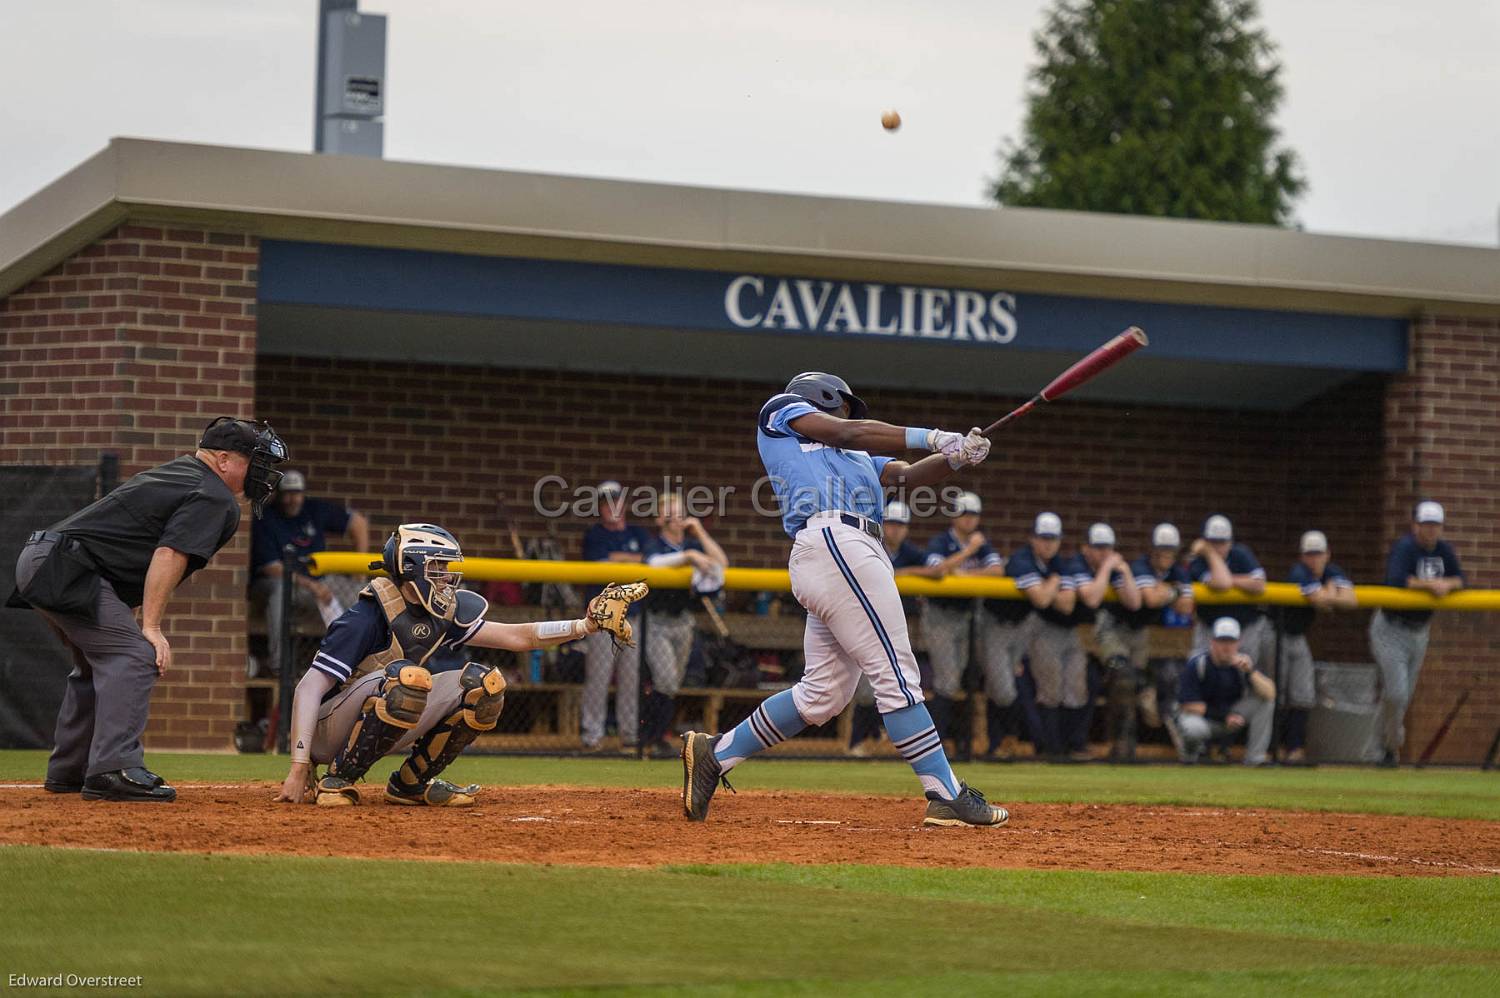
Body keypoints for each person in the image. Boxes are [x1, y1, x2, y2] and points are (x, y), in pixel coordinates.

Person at [682, 371, 1007, 827]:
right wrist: (933, 435)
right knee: (896, 673)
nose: (849, 414)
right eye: (844, 406)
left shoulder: (856, 456)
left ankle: (714, 754)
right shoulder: (780, 412)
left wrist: (955, 457)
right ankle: (944, 793)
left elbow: (908, 476)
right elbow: (845, 429)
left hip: (852, 554)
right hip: (836, 541)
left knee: (823, 696)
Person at [10, 417, 287, 802]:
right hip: (68, 569)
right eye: (254, 461)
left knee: (96, 665)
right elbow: (169, 553)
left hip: (47, 561)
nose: (263, 472)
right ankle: (113, 769)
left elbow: (126, 550)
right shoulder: (213, 494)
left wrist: (133, 615)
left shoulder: (181, 473)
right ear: (223, 460)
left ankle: (70, 770)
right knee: (135, 655)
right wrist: (152, 627)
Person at [275, 524, 645, 806]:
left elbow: (518, 637)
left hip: (378, 709)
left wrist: (585, 625)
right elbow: (309, 688)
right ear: (412, 568)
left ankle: (410, 783)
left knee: (484, 686)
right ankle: (338, 780)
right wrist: (299, 763)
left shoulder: (440, 612)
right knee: (407, 679)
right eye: (436, 568)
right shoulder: (365, 616)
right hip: (328, 730)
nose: (446, 577)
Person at [1369, 501, 1464, 767]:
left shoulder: (1444, 550)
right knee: (1397, 694)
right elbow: (1397, 579)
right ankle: (1389, 746)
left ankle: (1381, 750)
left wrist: (1447, 583)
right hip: (1391, 628)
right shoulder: (1406, 547)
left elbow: (1461, 579)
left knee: (1399, 696)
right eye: (1426, 525)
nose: (1431, 530)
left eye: (1435, 525)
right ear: (1416, 526)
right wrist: (1429, 585)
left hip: (1419, 632)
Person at [248, 470, 371, 676]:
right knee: (280, 591)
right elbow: (272, 568)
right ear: (277, 494)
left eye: (296, 494)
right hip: (282, 585)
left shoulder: (313, 509)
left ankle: (357, 661)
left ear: (303, 494)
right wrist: (312, 586)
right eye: (286, 494)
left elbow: (358, 522)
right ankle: (280, 666)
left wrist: (359, 576)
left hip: (318, 583)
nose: (291, 499)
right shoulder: (266, 518)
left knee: (362, 593)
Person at [640, 494, 729, 759]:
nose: (676, 517)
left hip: (683, 621)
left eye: (679, 512)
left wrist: (699, 532)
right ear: (660, 518)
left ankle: (657, 737)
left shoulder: (691, 543)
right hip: (657, 621)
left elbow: (721, 564)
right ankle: (650, 737)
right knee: (665, 679)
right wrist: (689, 557)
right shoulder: (656, 544)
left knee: (672, 683)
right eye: (670, 513)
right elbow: (652, 564)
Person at [1098, 523, 1194, 761]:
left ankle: (1126, 745)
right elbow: (1149, 599)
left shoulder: (1177, 572)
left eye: (1170, 550)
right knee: (1123, 679)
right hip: (1113, 626)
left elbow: (1187, 608)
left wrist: (1168, 592)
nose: (1166, 555)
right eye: (1162, 549)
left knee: (1137, 684)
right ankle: (1121, 746)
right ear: (1153, 550)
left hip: (1139, 632)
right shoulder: (1141, 566)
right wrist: (1173, 593)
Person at [848, 500, 935, 755]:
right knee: (865, 690)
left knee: (899, 686)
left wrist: (900, 573)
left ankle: (892, 743)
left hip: (899, 627)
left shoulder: (911, 552)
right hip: (866, 623)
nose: (896, 529)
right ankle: (858, 742)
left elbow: (938, 569)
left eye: (901, 524)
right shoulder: (869, 545)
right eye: (892, 523)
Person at [920, 490, 1003, 752]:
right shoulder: (942, 541)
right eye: (964, 514)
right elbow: (938, 570)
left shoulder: (982, 543)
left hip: (967, 617)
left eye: (973, 515)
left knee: (959, 680)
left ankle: (957, 740)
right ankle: (938, 742)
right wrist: (969, 551)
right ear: (954, 517)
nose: (969, 520)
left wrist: (965, 576)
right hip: (941, 615)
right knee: (947, 680)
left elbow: (998, 571)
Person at [580, 480, 651, 751]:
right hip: (602, 617)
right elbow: (603, 566)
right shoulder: (594, 535)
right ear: (599, 507)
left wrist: (618, 559)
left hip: (633, 617)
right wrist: (628, 561)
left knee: (631, 680)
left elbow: (646, 563)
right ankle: (592, 735)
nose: (611, 507)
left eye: (616, 500)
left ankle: (630, 735)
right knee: (598, 678)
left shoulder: (639, 533)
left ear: (624, 503)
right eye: (605, 502)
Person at [1002, 512, 1080, 759]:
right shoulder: (1022, 559)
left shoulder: (1058, 562)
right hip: (999, 625)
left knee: (1053, 687)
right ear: (1032, 538)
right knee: (1003, 688)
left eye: (1052, 538)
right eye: (1043, 538)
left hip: (1025, 629)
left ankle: (1052, 747)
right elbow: (1042, 599)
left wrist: (1049, 584)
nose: (1048, 543)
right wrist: (1055, 582)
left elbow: (1067, 605)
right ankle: (1000, 745)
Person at [1280, 530, 1356, 763]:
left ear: (1327, 554)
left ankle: (1295, 749)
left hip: (1298, 636)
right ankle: (1275, 749)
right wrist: (1331, 594)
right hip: (1276, 633)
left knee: (1303, 693)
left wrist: (1329, 595)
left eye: (1318, 554)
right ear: (1302, 556)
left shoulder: (1332, 571)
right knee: (1278, 694)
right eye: (1310, 554)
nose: (1314, 559)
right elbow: (1320, 600)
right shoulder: (1298, 571)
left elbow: (1351, 601)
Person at [1070, 523, 1140, 760]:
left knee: (1123, 680)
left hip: (1104, 640)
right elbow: (1090, 598)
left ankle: (1119, 747)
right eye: (1098, 547)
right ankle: (1071, 745)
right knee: (1080, 688)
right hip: (1074, 636)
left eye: (1107, 548)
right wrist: (1108, 567)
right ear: (1086, 548)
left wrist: (1126, 572)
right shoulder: (1078, 564)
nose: (1103, 552)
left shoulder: (1115, 569)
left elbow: (1134, 602)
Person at [1176, 616, 1276, 765]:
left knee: (1265, 703)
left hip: (1234, 716)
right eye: (1222, 641)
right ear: (1212, 642)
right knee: (1191, 727)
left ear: (1238, 643)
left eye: (1231, 641)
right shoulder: (1198, 664)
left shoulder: (1242, 665)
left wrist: (1251, 672)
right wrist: (1224, 717)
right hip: (1207, 719)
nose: (1226, 646)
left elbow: (1271, 694)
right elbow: (1188, 704)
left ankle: (1255, 759)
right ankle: (1192, 757)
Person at [1187, 514, 1270, 666]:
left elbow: (1259, 584)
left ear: (1230, 542)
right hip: (1210, 628)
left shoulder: (1240, 553)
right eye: (1213, 542)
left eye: (1222, 542)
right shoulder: (1199, 560)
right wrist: (1209, 554)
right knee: (1201, 670)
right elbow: (1222, 583)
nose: (1218, 547)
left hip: (1244, 627)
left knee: (1245, 676)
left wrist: (1231, 579)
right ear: (1205, 542)